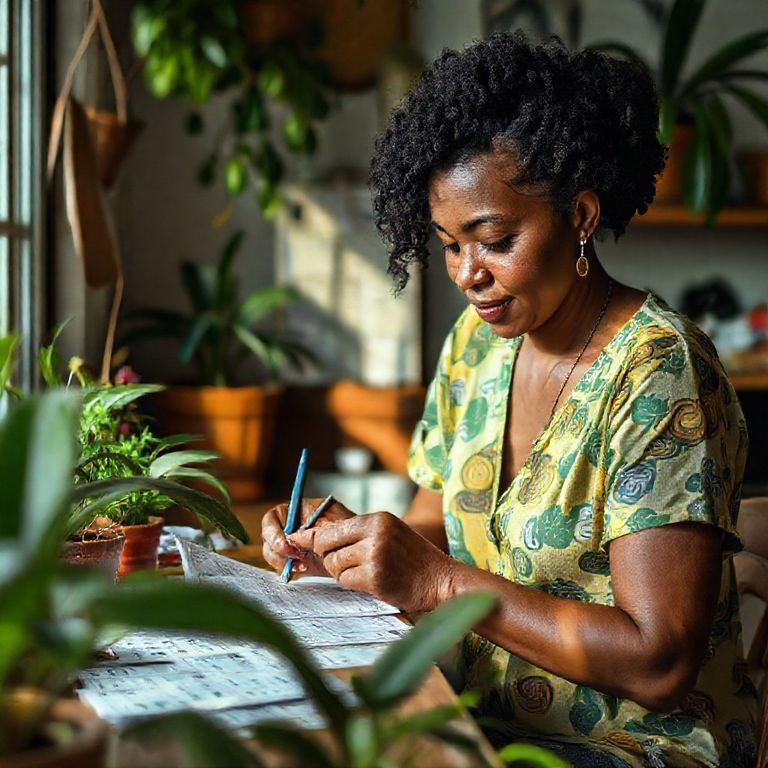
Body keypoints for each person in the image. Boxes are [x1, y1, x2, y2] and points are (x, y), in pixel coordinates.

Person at [262, 33, 758, 767]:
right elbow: (433, 524)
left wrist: (436, 582)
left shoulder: (658, 372)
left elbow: (658, 663)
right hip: (483, 718)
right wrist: (354, 546)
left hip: (630, 748)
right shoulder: (476, 345)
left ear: (581, 216)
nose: (468, 274)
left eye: (493, 240)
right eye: (449, 245)